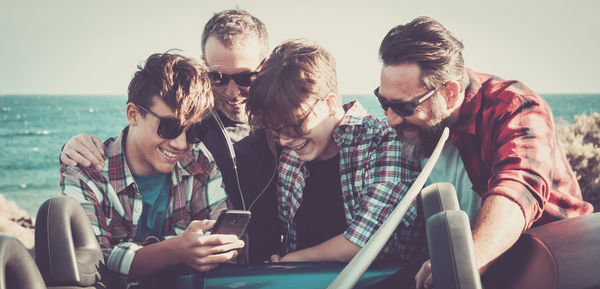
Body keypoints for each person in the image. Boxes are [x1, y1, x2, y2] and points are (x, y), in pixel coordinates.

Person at [374, 16, 594, 289]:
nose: (391, 119)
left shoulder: (515, 106)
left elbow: (519, 187)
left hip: (549, 258)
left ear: (451, 93)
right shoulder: (420, 128)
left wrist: (464, 263)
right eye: (383, 101)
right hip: (468, 260)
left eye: (405, 107)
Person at [58, 9, 281, 263]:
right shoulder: (190, 116)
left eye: (244, 77)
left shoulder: (286, 126)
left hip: (270, 268)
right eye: (217, 77)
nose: (231, 91)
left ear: (265, 66)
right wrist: (72, 149)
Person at [59, 52, 244, 287]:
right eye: (169, 127)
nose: (180, 143)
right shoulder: (85, 171)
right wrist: (176, 250)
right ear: (133, 114)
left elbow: (223, 236)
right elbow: (93, 266)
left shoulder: (197, 161)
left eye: (194, 131)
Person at [246, 39, 426, 263]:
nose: (284, 139)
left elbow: (369, 242)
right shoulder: (290, 159)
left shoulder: (384, 141)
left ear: (330, 102)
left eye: (295, 125)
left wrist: (290, 262)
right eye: (274, 129)